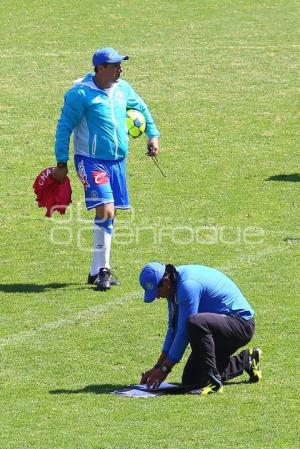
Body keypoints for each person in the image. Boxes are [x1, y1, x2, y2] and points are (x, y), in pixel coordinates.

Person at [52, 47, 160, 291]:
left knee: (109, 213)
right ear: (99, 69)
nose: (120, 68)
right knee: (107, 210)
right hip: (89, 160)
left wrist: (153, 136)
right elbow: (64, 127)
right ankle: (104, 271)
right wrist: (61, 163)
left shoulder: (123, 89)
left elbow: (142, 108)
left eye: (120, 64)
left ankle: (94, 269)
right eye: (114, 65)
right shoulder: (80, 94)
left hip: (117, 162)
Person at [139, 262, 262, 395]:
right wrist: (158, 366)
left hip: (240, 325)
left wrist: (165, 369)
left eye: (156, 292)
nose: (157, 297)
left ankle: (213, 382)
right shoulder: (172, 287)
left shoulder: (187, 286)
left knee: (195, 322)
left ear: (166, 282)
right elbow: (173, 328)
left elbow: (183, 332)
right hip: (217, 329)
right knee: (191, 380)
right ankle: (246, 360)